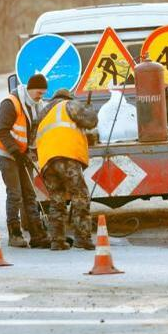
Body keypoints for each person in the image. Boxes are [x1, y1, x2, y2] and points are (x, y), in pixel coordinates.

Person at [35, 88, 98, 250]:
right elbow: (91, 121)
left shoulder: (43, 113)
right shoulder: (69, 105)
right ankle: (82, 238)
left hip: (47, 161)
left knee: (57, 199)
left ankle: (57, 240)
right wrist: (89, 109)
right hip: (66, 155)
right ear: (67, 97)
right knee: (80, 195)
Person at [0, 74, 50, 249]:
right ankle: (15, 234)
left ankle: (37, 235)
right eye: (39, 93)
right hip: (6, 154)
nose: (41, 96)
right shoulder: (10, 103)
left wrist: (30, 153)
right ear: (30, 89)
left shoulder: (37, 105)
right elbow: (2, 132)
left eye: (43, 93)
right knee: (15, 193)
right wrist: (16, 152)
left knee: (30, 194)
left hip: (22, 154)